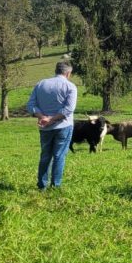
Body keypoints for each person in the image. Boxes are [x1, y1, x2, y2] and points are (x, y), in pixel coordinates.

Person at [26, 61, 78, 190]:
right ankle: (55, 186)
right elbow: (69, 109)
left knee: (45, 156)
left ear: (56, 70)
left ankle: (42, 186)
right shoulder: (70, 86)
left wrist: (42, 117)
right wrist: (52, 119)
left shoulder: (41, 84)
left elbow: (30, 105)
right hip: (63, 126)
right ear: (68, 73)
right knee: (59, 156)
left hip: (45, 127)